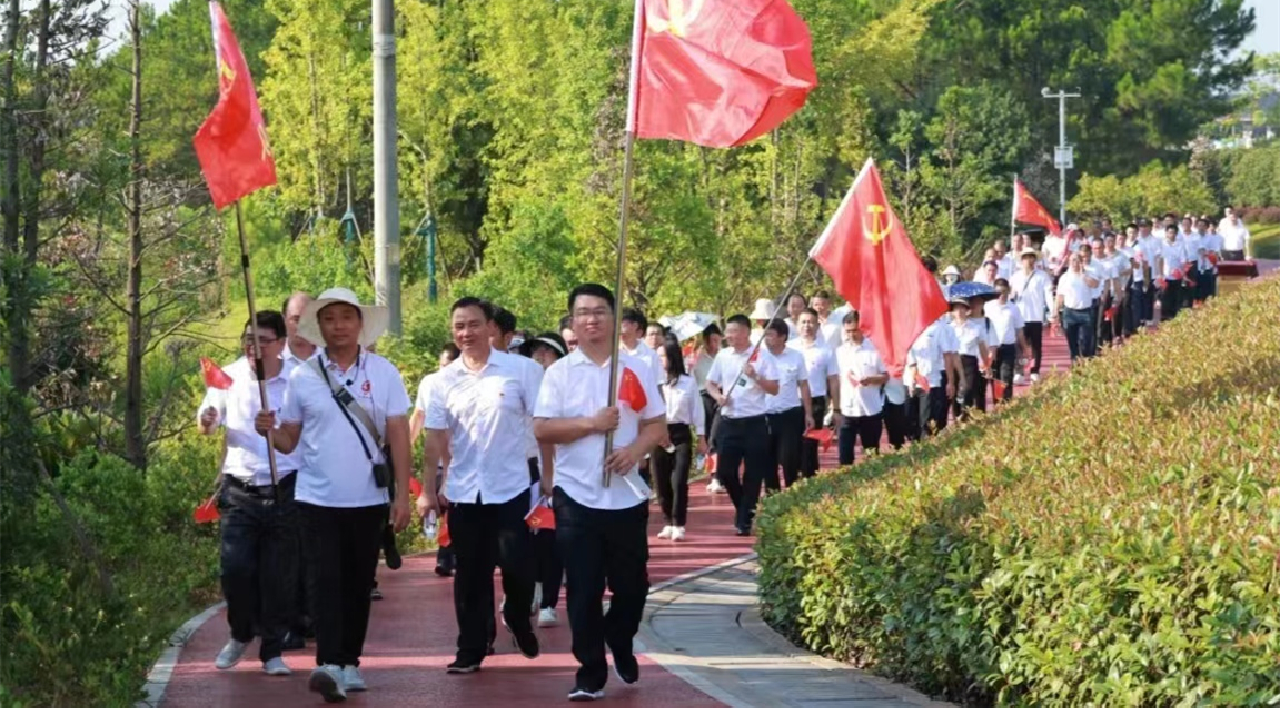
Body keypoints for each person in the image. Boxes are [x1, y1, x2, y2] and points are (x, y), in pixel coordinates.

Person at [253, 288, 412, 702]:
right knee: (323, 581)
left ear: (360, 324)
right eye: (329, 319)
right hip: (315, 497)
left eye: (346, 317)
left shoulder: (384, 372)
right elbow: (290, 439)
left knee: (357, 583)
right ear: (318, 327)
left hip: (368, 498)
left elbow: (398, 435)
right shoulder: (304, 377)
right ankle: (327, 663)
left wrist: (404, 496)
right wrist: (269, 429)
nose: (338, 326)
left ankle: (349, 662)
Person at [533, 283, 666, 703]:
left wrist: (633, 451)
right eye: (583, 312)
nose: (591, 319)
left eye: (600, 311)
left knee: (632, 586)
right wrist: (591, 424)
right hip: (577, 496)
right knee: (584, 588)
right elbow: (543, 429)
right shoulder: (559, 373)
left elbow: (656, 426)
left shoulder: (636, 367)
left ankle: (620, 635)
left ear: (614, 317)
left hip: (625, 494)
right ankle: (590, 669)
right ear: (573, 321)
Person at [420, 298, 545, 675]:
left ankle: (519, 616)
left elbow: (543, 426)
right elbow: (434, 437)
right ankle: (471, 647)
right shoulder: (442, 381)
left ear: (490, 327)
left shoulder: (521, 370)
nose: (466, 333)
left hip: (511, 485)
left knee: (519, 567)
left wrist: (550, 477)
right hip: (463, 489)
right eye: (459, 325)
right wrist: (430, 488)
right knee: (470, 574)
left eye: (474, 324)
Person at [201, 311, 301, 677]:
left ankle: (272, 650)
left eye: (263, 341)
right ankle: (241, 632)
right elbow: (208, 423)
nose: (253, 348)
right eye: (248, 339)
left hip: (284, 487)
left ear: (280, 344)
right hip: (240, 488)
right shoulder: (229, 377)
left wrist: (272, 429)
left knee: (279, 575)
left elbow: (293, 439)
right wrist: (208, 419)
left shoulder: (296, 380)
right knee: (236, 570)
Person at [705, 314, 780, 536]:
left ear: (747, 332)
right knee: (726, 473)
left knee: (753, 475)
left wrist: (755, 376)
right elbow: (710, 382)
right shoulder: (723, 355)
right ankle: (744, 510)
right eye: (727, 332)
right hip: (729, 422)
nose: (730, 336)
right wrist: (717, 396)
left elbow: (774, 389)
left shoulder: (763, 358)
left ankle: (744, 520)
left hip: (755, 422)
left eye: (735, 331)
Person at [521, 332, 570, 628]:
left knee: (550, 539)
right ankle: (531, 590)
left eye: (547, 352)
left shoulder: (566, 388)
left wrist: (549, 474)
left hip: (557, 472)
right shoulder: (520, 384)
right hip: (521, 472)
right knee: (525, 539)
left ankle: (549, 602)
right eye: (535, 352)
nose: (540, 357)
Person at [411, 343, 460, 578]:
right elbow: (419, 415)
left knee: (452, 508)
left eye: (448, 365)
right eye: (441, 365)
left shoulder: (465, 385)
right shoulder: (430, 383)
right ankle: (446, 554)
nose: (444, 370)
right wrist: (404, 449)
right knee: (438, 507)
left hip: (459, 460)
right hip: (436, 459)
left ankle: (447, 555)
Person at [653, 340, 705, 542]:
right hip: (658, 432)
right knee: (661, 479)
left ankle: (678, 523)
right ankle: (667, 521)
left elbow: (697, 411)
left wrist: (701, 437)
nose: (659, 361)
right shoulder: (654, 383)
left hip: (680, 432)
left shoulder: (688, 382)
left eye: (662, 356)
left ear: (672, 357)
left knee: (679, 480)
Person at [761, 319, 812, 489]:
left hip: (790, 413)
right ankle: (772, 497)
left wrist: (808, 413)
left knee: (789, 457)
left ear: (783, 337)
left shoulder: (796, 356)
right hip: (765, 415)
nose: (767, 339)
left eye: (770, 335)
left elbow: (803, 384)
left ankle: (792, 492)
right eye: (765, 334)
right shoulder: (759, 357)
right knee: (767, 459)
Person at [833, 311, 888, 463]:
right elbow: (835, 381)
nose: (851, 335)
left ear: (862, 328)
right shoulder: (840, 352)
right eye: (848, 331)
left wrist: (870, 379)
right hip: (847, 410)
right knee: (845, 456)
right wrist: (835, 408)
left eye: (855, 330)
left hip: (870, 409)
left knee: (871, 455)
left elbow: (885, 376)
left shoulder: (875, 349)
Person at [790, 308, 837, 478]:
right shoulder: (789, 347)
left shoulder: (826, 350)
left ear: (817, 325)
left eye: (810, 322)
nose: (807, 326)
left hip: (816, 401)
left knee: (809, 444)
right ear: (797, 325)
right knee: (793, 444)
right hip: (792, 401)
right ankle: (794, 479)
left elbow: (833, 380)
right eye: (803, 322)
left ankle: (810, 479)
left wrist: (836, 407)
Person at [904, 316, 959, 440]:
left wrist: (950, 382)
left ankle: (925, 454)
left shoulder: (938, 329)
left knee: (926, 425)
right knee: (908, 422)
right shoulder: (908, 327)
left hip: (930, 383)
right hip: (909, 381)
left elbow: (947, 356)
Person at [1009, 247, 1051, 383]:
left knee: (1036, 346)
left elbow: (1048, 294)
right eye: (1026, 257)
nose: (1029, 260)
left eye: (1031, 257)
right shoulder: (1015, 277)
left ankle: (1034, 370)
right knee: (1019, 346)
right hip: (1020, 317)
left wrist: (1053, 311)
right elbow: (1010, 296)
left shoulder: (1042, 276)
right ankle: (1019, 371)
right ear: (1022, 260)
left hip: (1036, 316)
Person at [983, 280, 1027, 404]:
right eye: (998, 292)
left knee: (1006, 377)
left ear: (1008, 291)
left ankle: (1007, 405)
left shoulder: (1013, 309)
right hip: (991, 348)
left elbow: (1019, 330)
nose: (1001, 295)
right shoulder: (987, 307)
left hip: (1008, 347)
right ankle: (998, 405)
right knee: (995, 379)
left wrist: (1025, 349)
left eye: (1003, 291)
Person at [1051, 254, 1100, 362]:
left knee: (1085, 341)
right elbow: (1060, 296)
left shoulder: (1088, 273)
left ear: (1081, 261)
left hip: (1085, 311)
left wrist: (1083, 275)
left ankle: (1087, 360)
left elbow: (1095, 284)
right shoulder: (1065, 277)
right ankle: (1075, 363)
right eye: (1072, 260)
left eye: (1077, 260)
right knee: (1072, 341)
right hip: (1070, 313)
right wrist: (1055, 313)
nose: (1075, 263)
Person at [948, 297, 990, 419]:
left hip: (969, 362)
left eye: (962, 309)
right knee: (955, 390)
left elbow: (982, 348)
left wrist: (986, 365)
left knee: (968, 389)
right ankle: (957, 415)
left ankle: (966, 416)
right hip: (953, 362)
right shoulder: (948, 328)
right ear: (952, 312)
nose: (959, 312)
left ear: (967, 310)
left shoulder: (976, 327)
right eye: (956, 309)